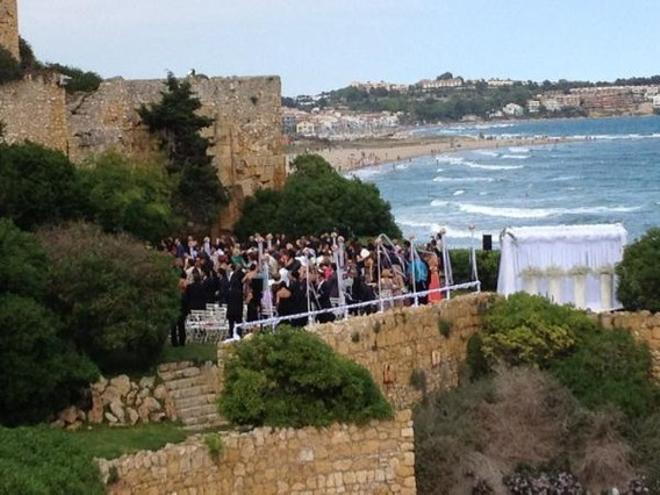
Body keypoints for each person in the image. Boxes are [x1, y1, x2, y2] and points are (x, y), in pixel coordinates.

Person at [227, 258, 245, 338]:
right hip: (238, 311)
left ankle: (231, 335)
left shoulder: (230, 291)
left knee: (231, 325)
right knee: (238, 324)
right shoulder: (240, 292)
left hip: (231, 310)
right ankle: (239, 335)